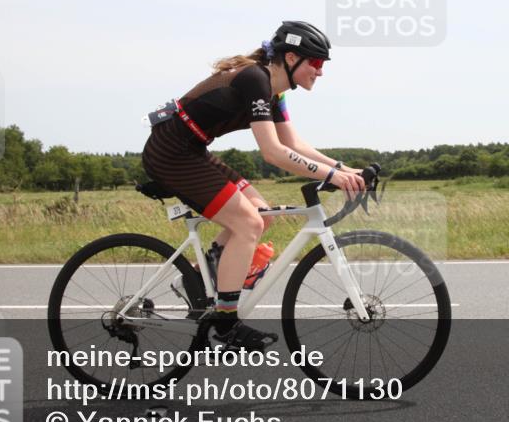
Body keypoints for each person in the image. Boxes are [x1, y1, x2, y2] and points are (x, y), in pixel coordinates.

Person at [141, 20, 366, 350]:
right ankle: (225, 325)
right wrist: (331, 177)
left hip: (191, 149)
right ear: (291, 58)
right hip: (171, 153)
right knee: (247, 223)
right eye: (316, 63)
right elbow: (274, 153)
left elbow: (295, 144)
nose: (320, 72)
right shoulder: (255, 79)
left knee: (263, 213)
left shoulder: (274, 91)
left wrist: (347, 170)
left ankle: (192, 282)